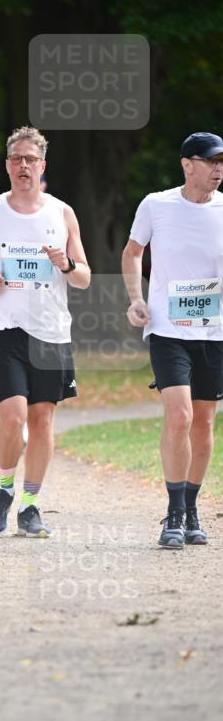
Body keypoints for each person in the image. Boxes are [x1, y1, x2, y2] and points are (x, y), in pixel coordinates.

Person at [0, 125, 90, 536]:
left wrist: (65, 263)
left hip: (51, 329)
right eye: (17, 159)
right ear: (8, 165)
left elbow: (83, 277)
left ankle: (29, 504)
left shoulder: (61, 212)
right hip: (4, 327)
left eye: (31, 159)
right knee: (12, 418)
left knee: (43, 421)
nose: (24, 165)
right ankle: (5, 488)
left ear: (42, 165)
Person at [122, 131, 223, 548]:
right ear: (188, 164)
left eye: (222, 163)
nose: (218, 169)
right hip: (167, 329)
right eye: (211, 161)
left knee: (203, 424)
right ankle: (174, 512)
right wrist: (135, 300)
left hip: (215, 331)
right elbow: (132, 252)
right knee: (179, 416)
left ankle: (193, 508)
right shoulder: (156, 204)